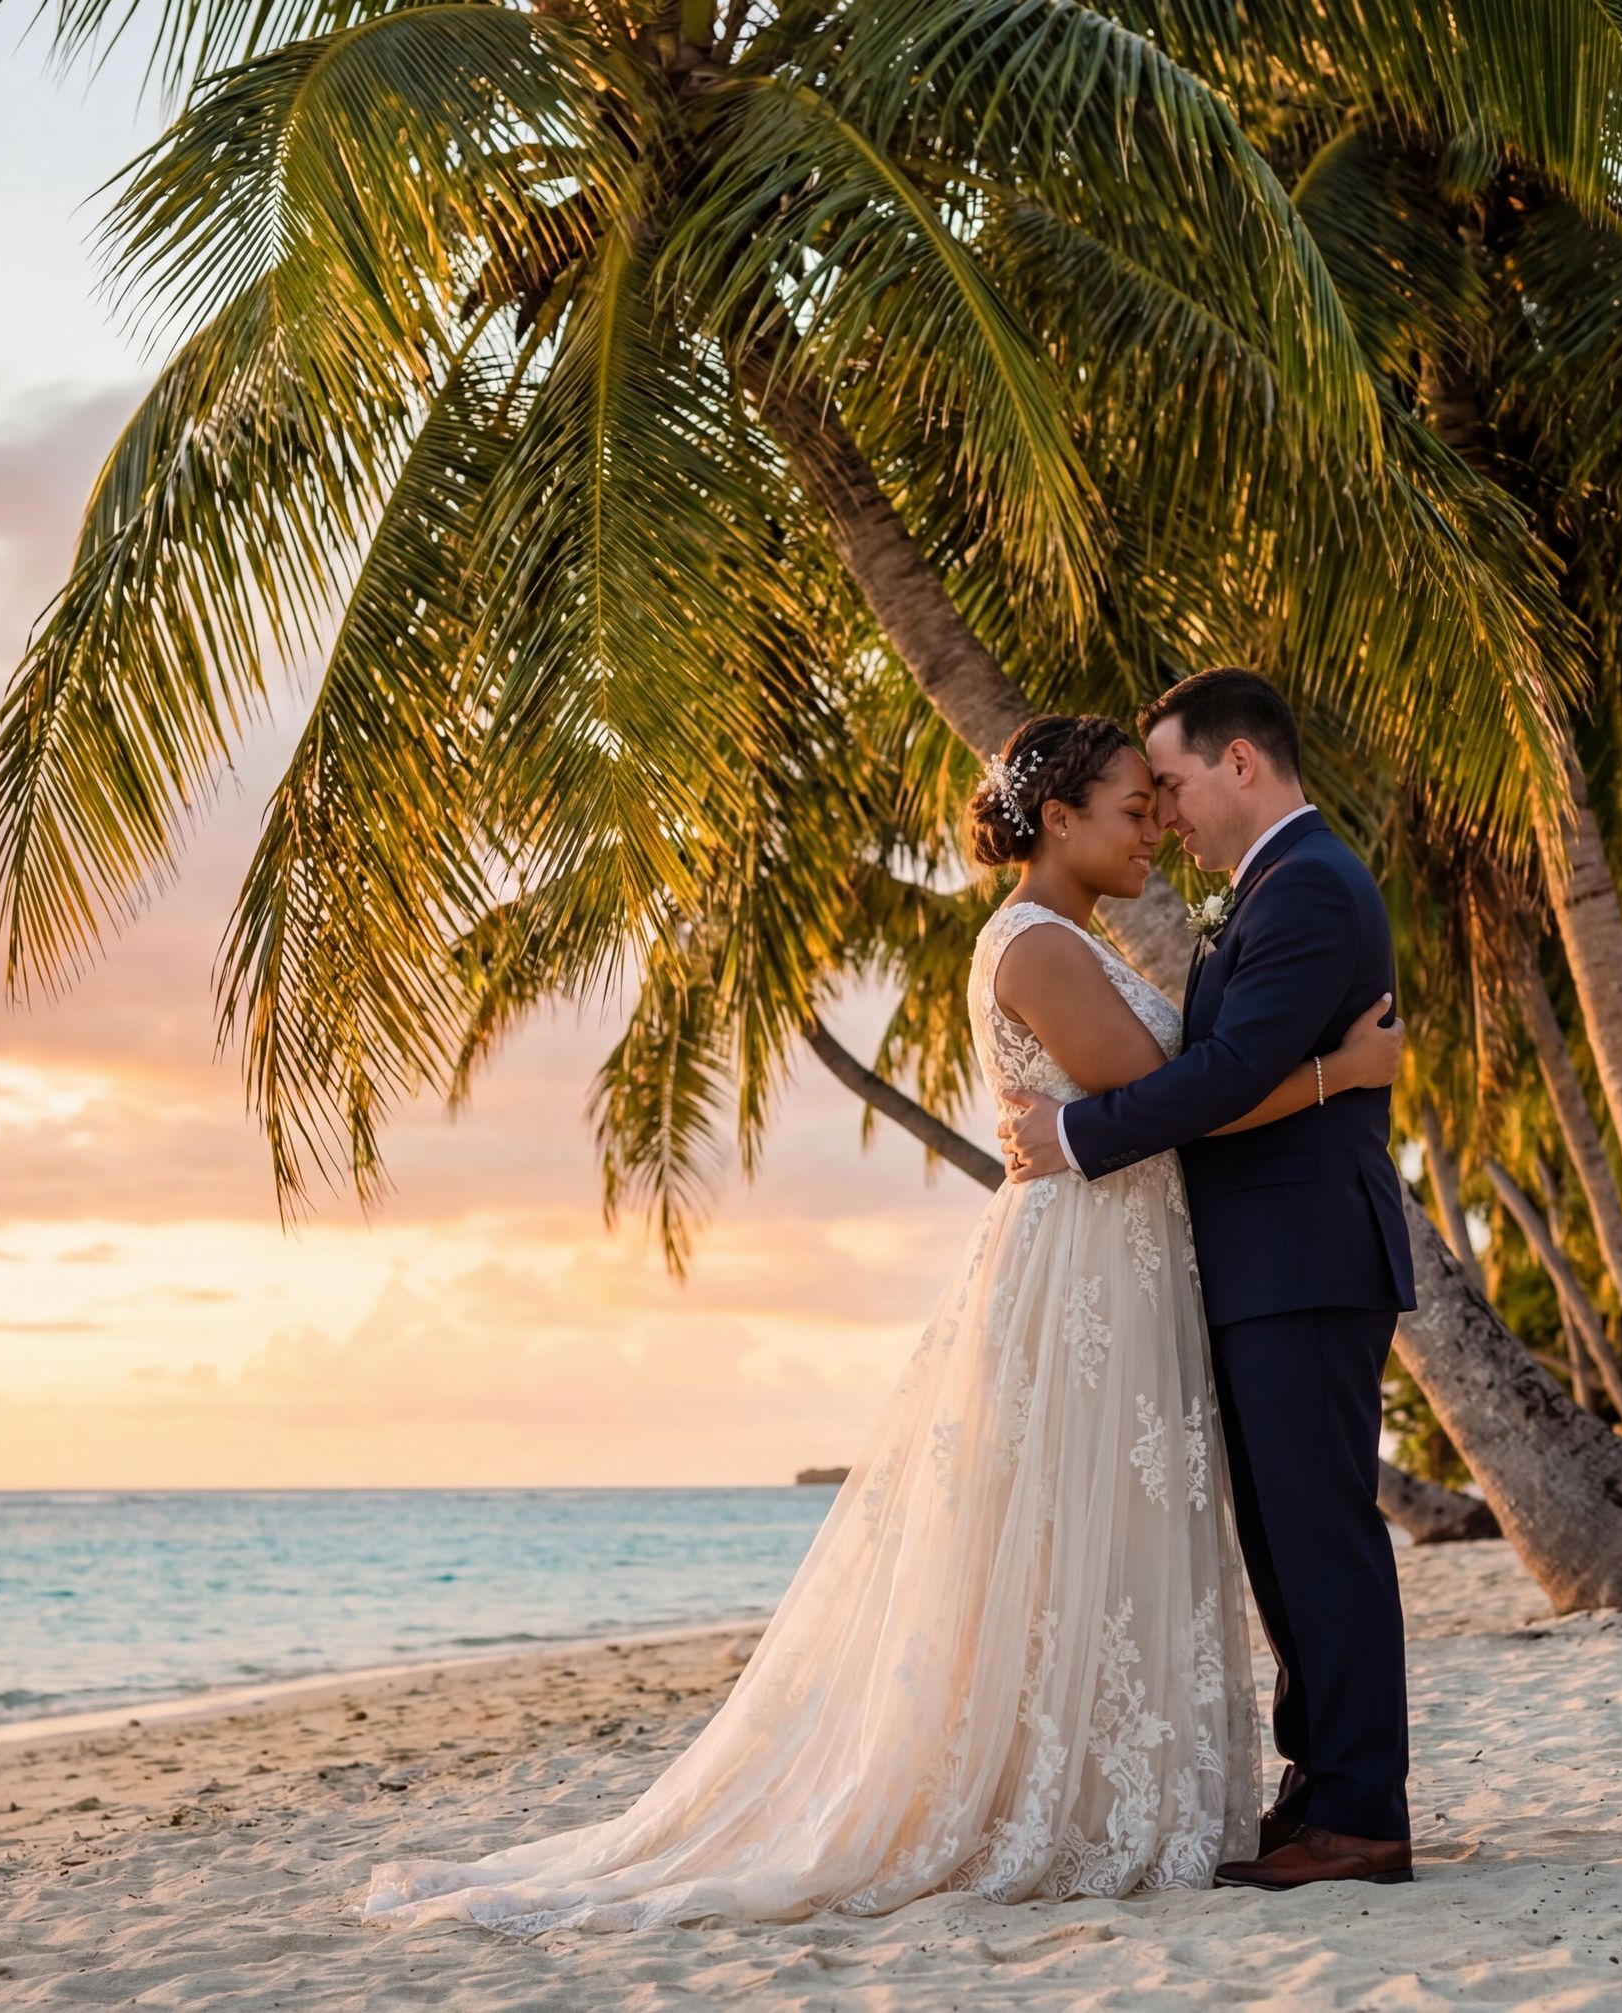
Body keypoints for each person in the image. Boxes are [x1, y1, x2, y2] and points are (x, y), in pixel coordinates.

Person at [362, 710, 1401, 1931]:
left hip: (1177, 1257)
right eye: (1136, 807)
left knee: (1248, 1533)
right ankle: (1283, 1795)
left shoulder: (1210, 904)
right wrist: (1337, 1074)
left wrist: (1285, 1087)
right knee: (1154, 1535)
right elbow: (1188, 1090)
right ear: (1057, 819)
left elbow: (1193, 1087)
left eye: (1162, 796)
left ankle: (1331, 1804)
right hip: (1095, 1259)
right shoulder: (1044, 945)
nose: (1158, 827)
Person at [1000, 667, 1417, 1891]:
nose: (1167, 814)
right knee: (1286, 1545)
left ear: (1241, 762)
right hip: (1267, 1262)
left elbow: (1227, 1073)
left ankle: (1361, 1814)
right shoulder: (1276, 889)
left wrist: (1075, 1137)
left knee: (1321, 1538)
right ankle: (1319, 1790)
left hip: (1304, 1258)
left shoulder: (1312, 886)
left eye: (1172, 784)